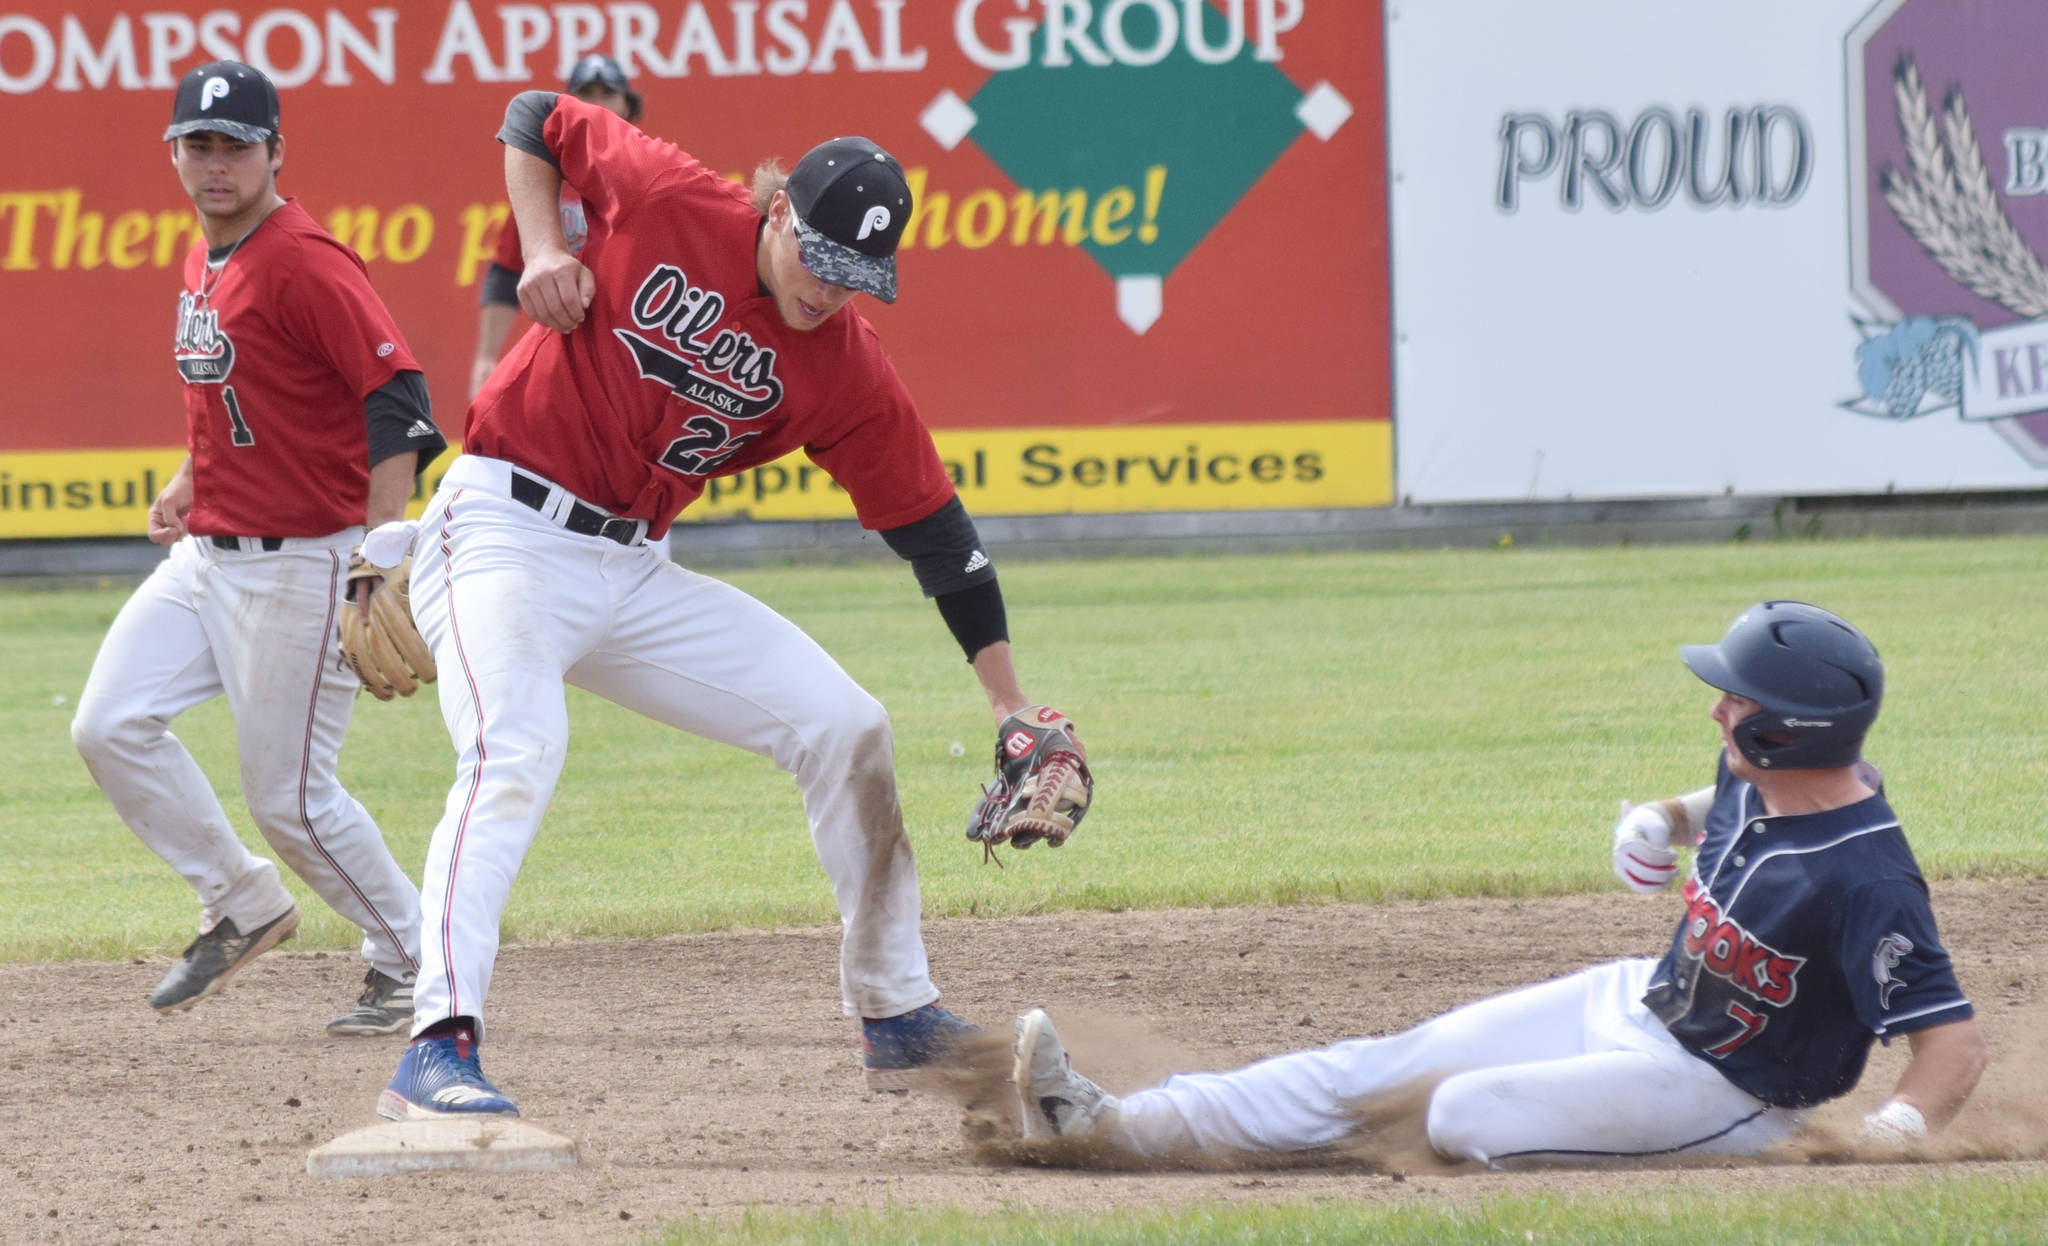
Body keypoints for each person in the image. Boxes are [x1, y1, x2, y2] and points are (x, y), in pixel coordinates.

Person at [376, 88, 1061, 1119]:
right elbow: (532, 117)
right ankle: (437, 1042)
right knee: (514, 748)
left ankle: (895, 1009)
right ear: (780, 210)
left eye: (857, 277)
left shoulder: (845, 371)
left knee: (845, 727)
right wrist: (541, 250)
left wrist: (1008, 704)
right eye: (820, 257)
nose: (832, 291)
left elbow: (934, 533)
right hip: (504, 528)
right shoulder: (665, 198)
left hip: (635, 569)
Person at [1012, 601, 1987, 1166]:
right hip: (1630, 1002)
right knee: (1379, 1065)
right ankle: (1113, 1126)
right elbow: (1718, 801)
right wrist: (1658, 819)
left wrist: (1890, 1135)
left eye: (1733, 699)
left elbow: (1950, 1041)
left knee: (1457, 1112)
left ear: (1787, 730)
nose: (1715, 712)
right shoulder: (1763, 769)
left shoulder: (1866, 875)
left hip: (1724, 1093)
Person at [70, 60, 446, 1038]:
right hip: (207, 557)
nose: (216, 163)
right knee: (109, 724)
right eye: (198, 144)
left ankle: (415, 962)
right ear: (175, 154)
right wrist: (191, 477)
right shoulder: (207, 256)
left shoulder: (303, 259)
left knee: (291, 800)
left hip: (303, 562)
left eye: (235, 144)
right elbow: (251, 395)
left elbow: (399, 406)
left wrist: (380, 557)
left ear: (276, 151)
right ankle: (241, 899)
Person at [466, 54, 643, 398]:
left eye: (607, 93)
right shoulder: (545, 181)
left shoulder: (651, 175)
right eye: (586, 93)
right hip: (566, 344)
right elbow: (506, 269)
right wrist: (486, 356)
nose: (596, 104)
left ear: (626, 104)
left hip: (636, 346)